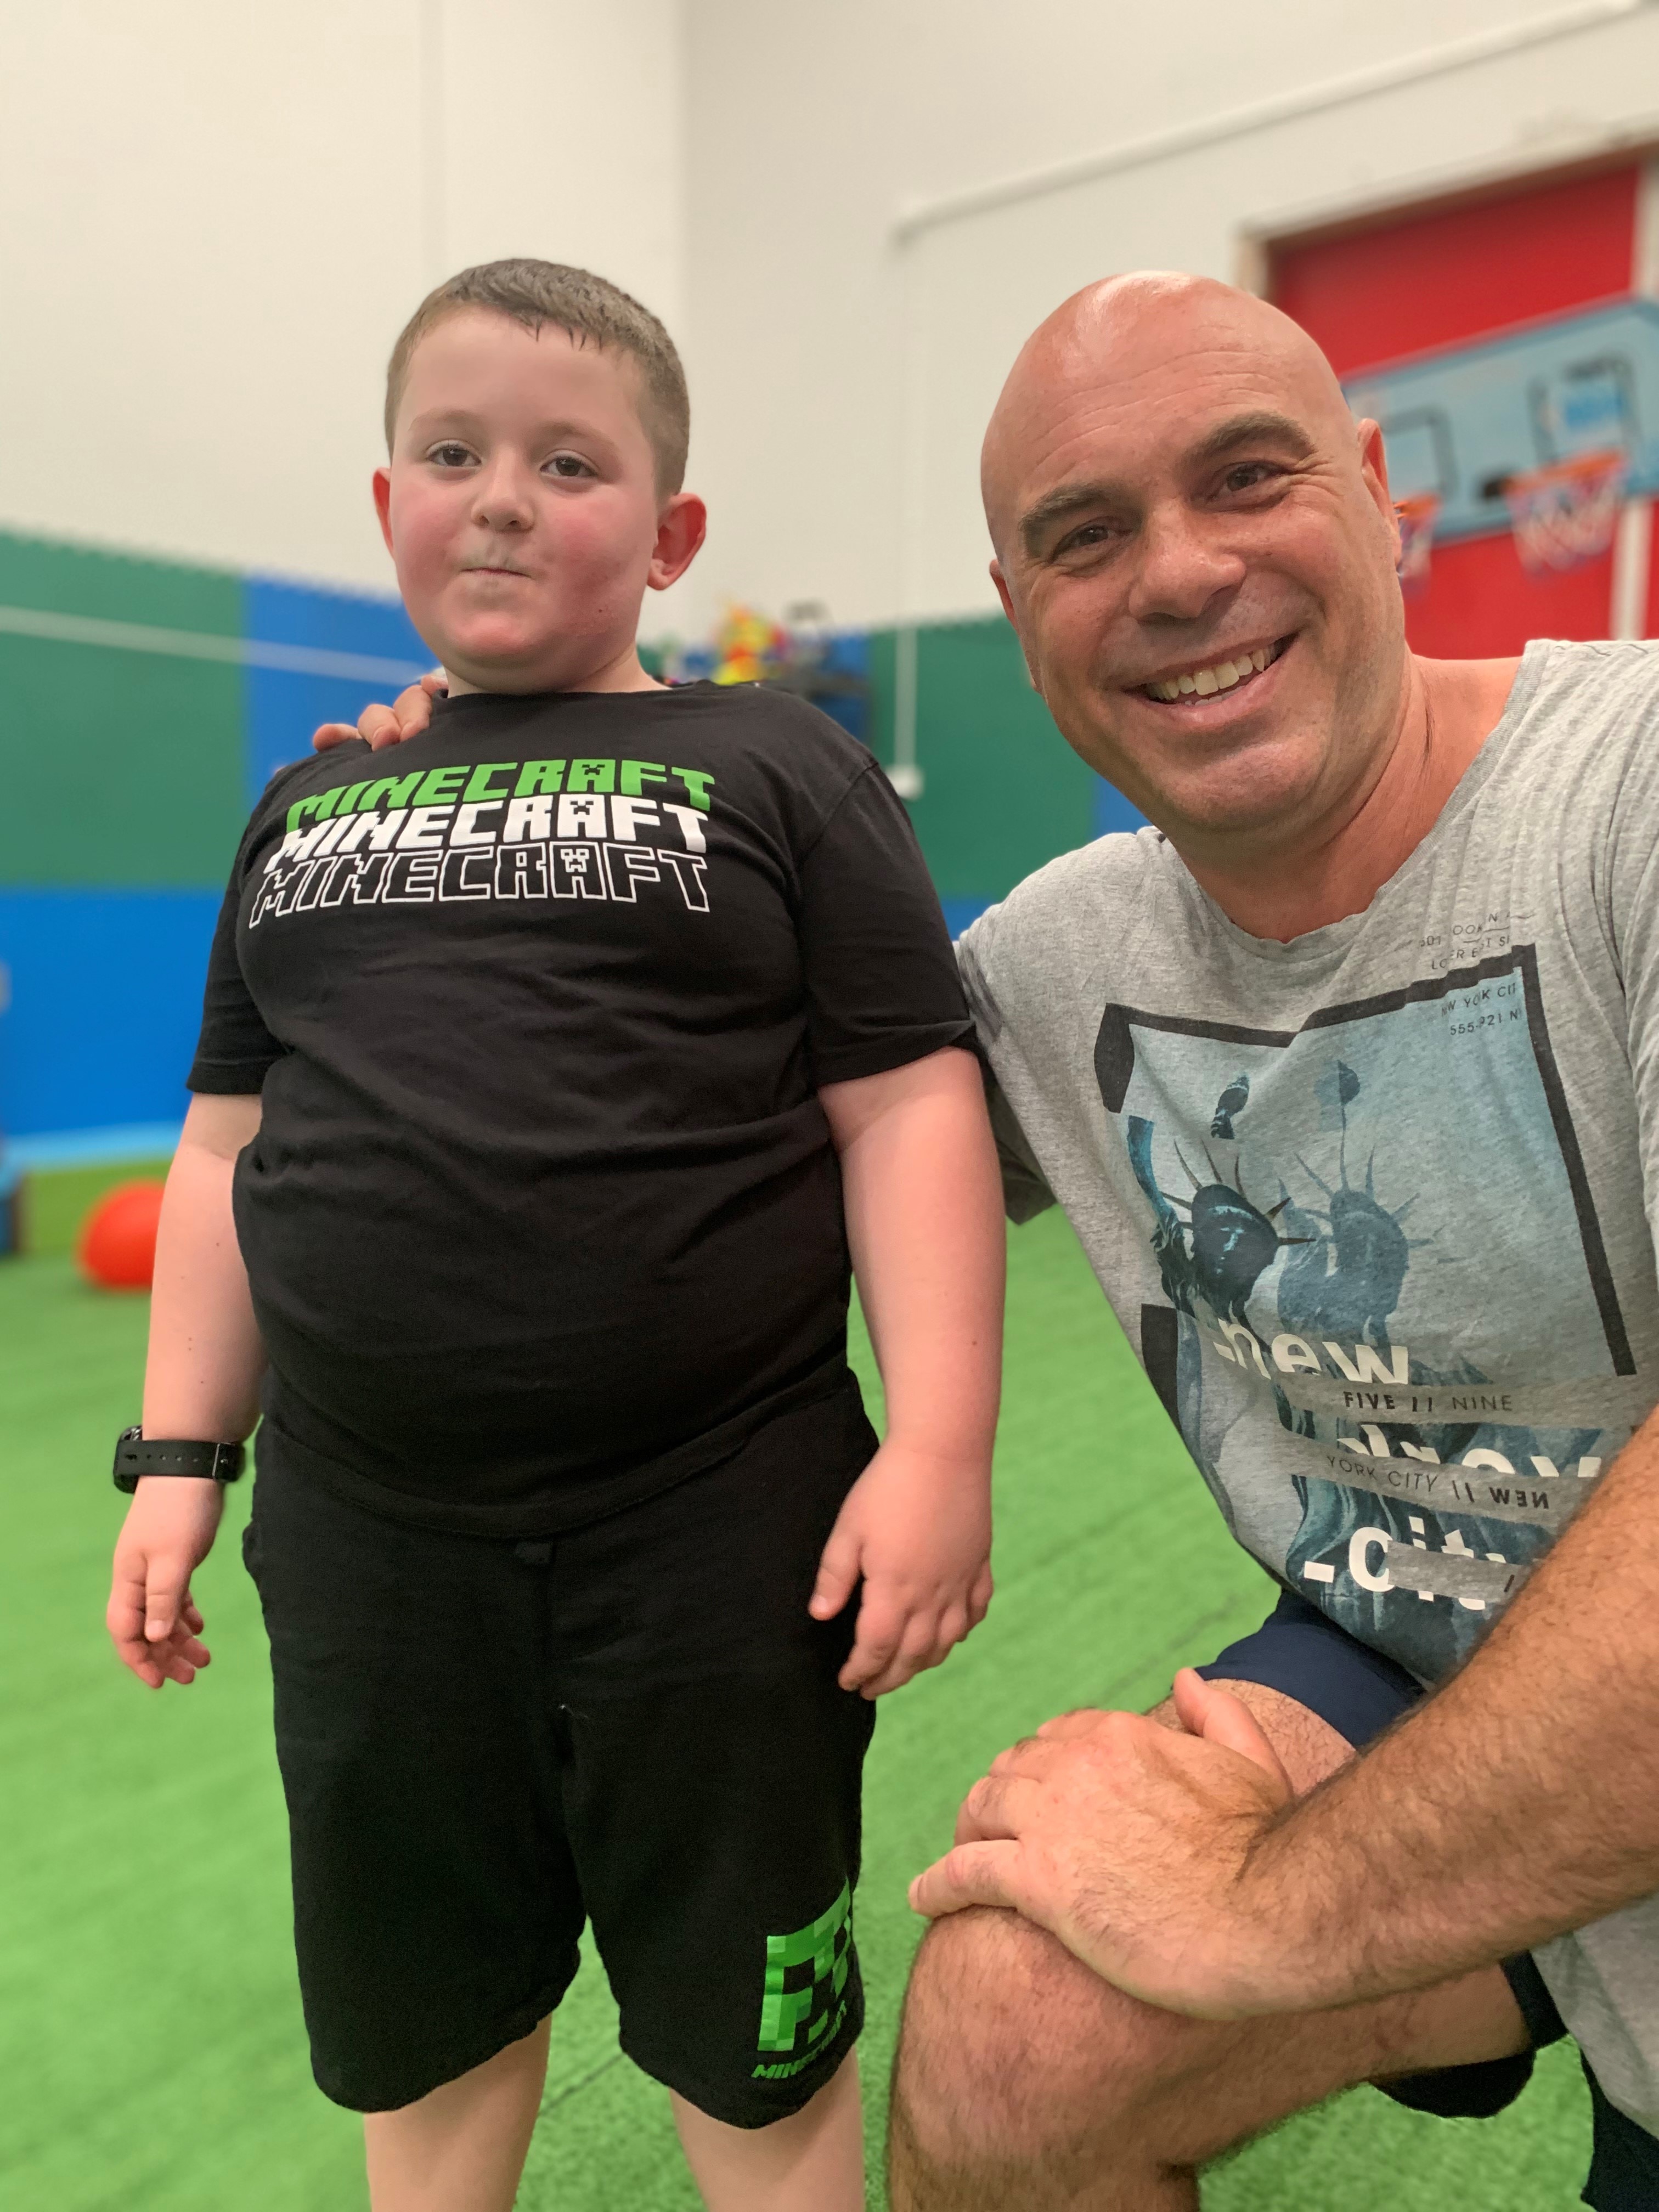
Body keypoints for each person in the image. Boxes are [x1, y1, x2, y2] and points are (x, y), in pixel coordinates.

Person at [105, 257, 1004, 2212]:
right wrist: (181, 1453)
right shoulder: (308, 804)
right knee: (420, 2029)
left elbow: (908, 1098)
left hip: (717, 1531)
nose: (502, 496)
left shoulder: (780, 769)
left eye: (569, 461)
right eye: (454, 451)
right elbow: (224, 1150)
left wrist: (939, 1448)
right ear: (385, 506)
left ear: (670, 534)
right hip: (369, 1550)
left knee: (757, 2056)